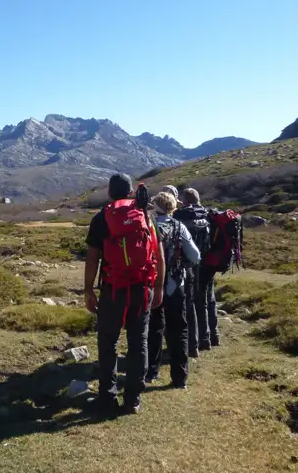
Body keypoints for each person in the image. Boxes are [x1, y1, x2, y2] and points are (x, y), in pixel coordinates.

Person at [84, 174, 165, 415]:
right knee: (138, 342)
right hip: (141, 289)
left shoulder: (102, 217)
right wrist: (159, 287)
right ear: (131, 191)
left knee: (107, 343)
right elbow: (158, 256)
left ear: (109, 192)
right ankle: (133, 399)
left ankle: (107, 398)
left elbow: (92, 258)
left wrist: (88, 290)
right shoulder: (145, 216)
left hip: (113, 289)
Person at [146, 192, 200, 389]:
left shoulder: (149, 226)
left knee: (153, 330)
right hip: (177, 285)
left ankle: (151, 372)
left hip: (152, 286)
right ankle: (180, 378)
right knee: (179, 330)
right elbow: (195, 256)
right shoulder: (179, 227)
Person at [173, 188, 211, 358]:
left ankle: (191, 343)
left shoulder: (181, 216)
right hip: (207, 263)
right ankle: (208, 338)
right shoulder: (206, 213)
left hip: (189, 264)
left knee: (189, 303)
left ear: (186, 200)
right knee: (205, 300)